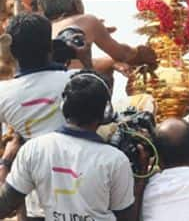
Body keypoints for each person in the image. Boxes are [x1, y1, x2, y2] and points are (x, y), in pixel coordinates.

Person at [0, 71, 139, 221]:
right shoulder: (116, 160)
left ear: (63, 105)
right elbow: (127, 217)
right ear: (106, 112)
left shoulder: (34, 149)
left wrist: (6, 162)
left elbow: (5, 204)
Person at [0, 13, 70, 219]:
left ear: (11, 50)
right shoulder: (75, 81)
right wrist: (85, 60)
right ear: (50, 46)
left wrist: (5, 161)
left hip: (34, 196)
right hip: (83, 192)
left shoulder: (3, 92)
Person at [37, 0, 157, 72]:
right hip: (75, 89)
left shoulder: (41, 30)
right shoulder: (87, 20)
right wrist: (139, 52)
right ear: (76, 3)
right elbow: (122, 54)